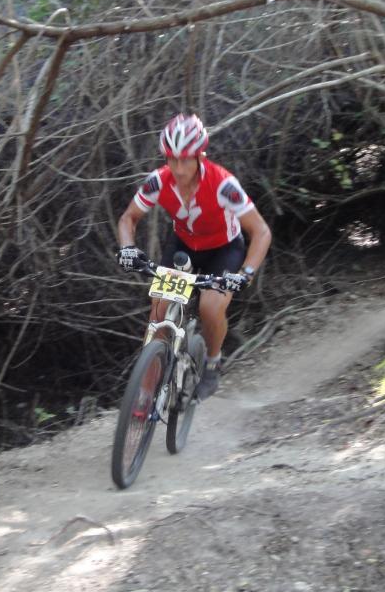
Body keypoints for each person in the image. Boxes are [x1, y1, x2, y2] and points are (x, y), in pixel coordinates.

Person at [116, 113, 272, 400]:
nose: (177, 167)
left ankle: (212, 362)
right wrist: (127, 248)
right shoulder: (158, 181)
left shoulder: (224, 185)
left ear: (200, 156)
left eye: (185, 159)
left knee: (210, 308)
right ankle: (146, 391)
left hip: (224, 249)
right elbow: (129, 218)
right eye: (171, 159)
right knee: (160, 309)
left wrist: (245, 274)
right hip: (184, 246)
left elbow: (261, 232)